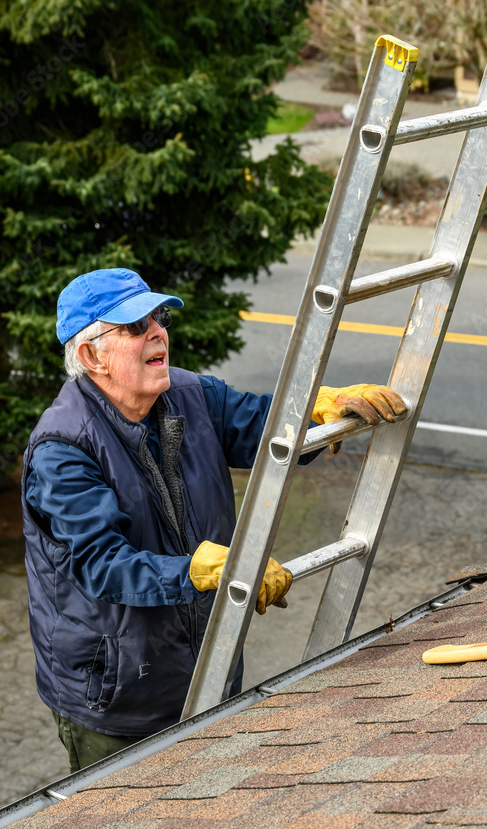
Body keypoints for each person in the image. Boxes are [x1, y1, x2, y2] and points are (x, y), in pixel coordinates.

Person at [21, 268, 406, 772]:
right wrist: (198, 570)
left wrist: (315, 411)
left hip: (209, 669)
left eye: (158, 318)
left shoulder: (190, 395)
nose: (158, 332)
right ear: (93, 356)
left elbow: (261, 427)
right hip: (118, 701)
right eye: (134, 326)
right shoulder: (63, 449)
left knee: (211, 816)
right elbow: (102, 565)